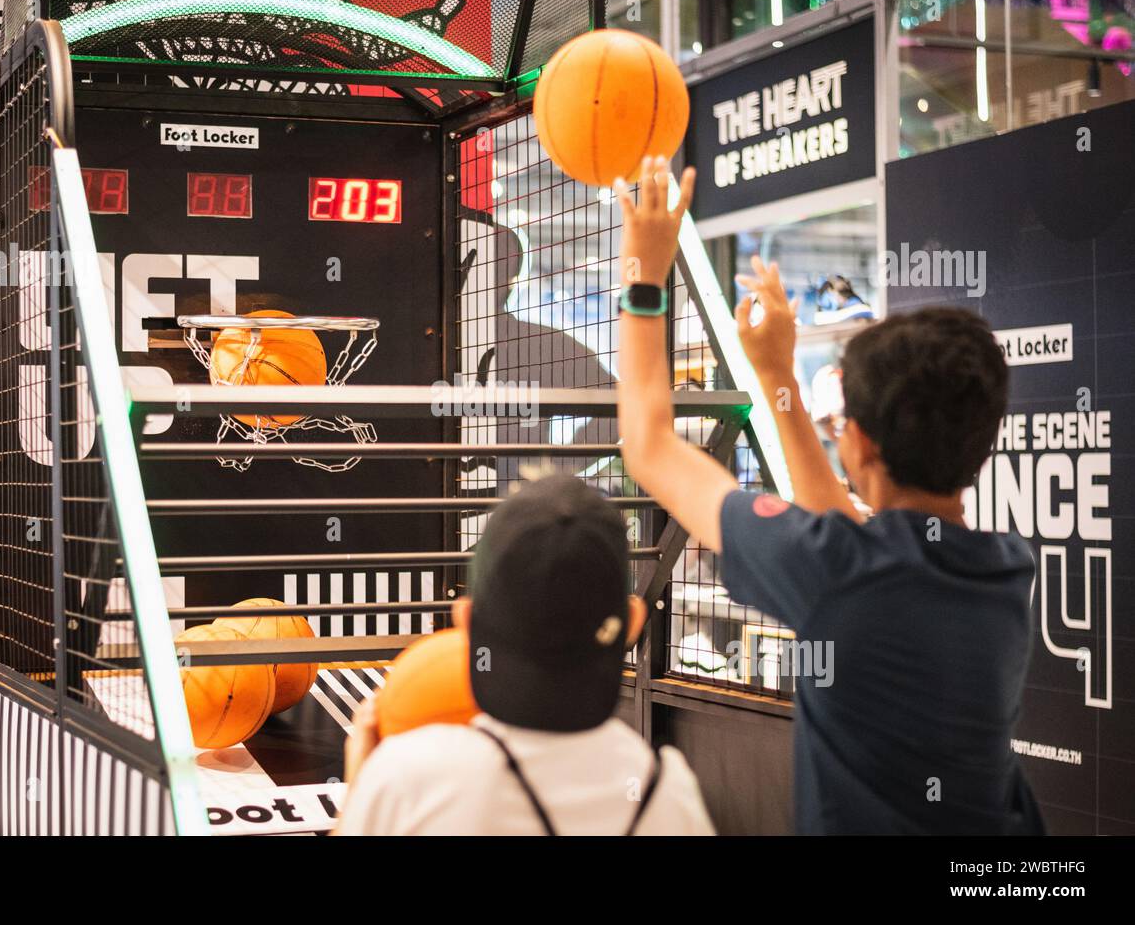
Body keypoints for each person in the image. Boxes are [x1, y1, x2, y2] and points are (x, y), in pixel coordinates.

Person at [614, 155, 1043, 834]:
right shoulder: (1003, 570)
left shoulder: (838, 572)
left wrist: (643, 276)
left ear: (862, 445)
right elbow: (844, 527)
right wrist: (776, 372)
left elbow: (650, 448)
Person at [336, 472, 714, 836]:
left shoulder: (407, 777)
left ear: (465, 620)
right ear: (632, 622)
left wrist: (360, 784)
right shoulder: (667, 789)